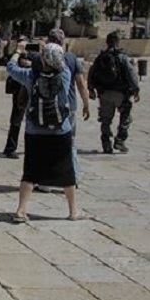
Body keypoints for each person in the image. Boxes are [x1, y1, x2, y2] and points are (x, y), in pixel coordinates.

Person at [6, 43, 89, 221]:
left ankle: (21, 210)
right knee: (67, 170)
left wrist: (19, 51)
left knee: (30, 170)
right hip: (61, 131)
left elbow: (11, 68)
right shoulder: (65, 75)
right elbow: (65, 63)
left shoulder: (31, 76)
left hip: (34, 130)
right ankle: (73, 211)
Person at [47, 28, 91, 186]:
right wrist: (86, 104)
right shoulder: (71, 59)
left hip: (49, 107)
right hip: (69, 105)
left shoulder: (44, 59)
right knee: (69, 143)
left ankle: (47, 181)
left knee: (49, 143)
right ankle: (74, 178)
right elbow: (81, 84)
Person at [87, 31, 140, 154]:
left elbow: (91, 73)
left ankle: (106, 143)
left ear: (107, 42)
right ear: (117, 42)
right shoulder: (122, 58)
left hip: (104, 93)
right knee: (126, 116)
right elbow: (131, 75)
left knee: (105, 120)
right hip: (121, 93)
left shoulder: (100, 57)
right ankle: (120, 140)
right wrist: (136, 90)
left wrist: (91, 89)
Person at [2, 36, 30, 159]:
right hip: (19, 92)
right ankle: (10, 147)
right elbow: (8, 64)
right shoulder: (15, 57)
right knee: (16, 120)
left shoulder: (32, 56)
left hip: (31, 91)